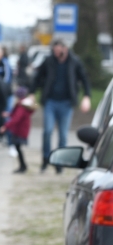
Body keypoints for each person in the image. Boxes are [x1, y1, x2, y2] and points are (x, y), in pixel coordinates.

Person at [33, 40, 91, 173]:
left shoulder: (74, 61)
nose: (56, 53)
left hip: (66, 103)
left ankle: (60, 163)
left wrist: (86, 96)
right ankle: (46, 159)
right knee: (47, 131)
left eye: (58, 51)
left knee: (63, 135)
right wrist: (32, 93)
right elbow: (37, 77)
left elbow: (84, 79)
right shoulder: (49, 61)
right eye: (54, 51)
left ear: (65, 49)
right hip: (50, 102)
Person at [0, 87, 35, 173]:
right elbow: (17, 115)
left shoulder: (21, 106)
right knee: (18, 148)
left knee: (18, 148)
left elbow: (16, 118)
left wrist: (5, 126)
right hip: (22, 129)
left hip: (19, 130)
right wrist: (9, 114)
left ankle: (23, 166)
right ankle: (23, 166)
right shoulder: (25, 104)